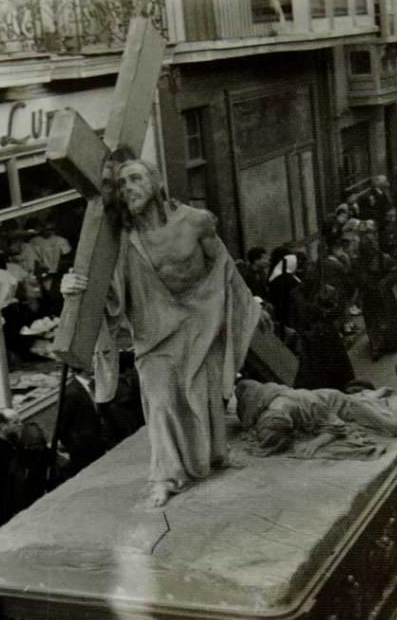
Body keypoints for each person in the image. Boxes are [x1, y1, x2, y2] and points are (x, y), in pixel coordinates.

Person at [61, 158, 263, 507]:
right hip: (154, 330)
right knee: (162, 402)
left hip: (201, 319)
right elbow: (102, 290)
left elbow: (223, 267)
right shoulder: (122, 240)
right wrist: (72, 287)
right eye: (122, 184)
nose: (128, 189)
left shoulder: (196, 222)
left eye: (135, 179)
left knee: (204, 396)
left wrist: (248, 306)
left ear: (156, 183)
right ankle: (165, 476)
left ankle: (215, 455)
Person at [235, 379, 397, 457]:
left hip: (337, 403)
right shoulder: (266, 408)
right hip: (319, 401)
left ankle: (370, 396)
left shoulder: (307, 405)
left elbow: (338, 427)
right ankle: (367, 396)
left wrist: (314, 443)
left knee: (393, 427)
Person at [356, 237, 397, 361]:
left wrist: (384, 283)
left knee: (389, 319)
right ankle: (377, 346)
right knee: (372, 322)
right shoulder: (359, 262)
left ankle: (392, 342)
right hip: (368, 296)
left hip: (383, 295)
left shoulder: (383, 258)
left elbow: (395, 270)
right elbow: (357, 277)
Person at [58, 368, 113, 477]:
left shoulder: (94, 385)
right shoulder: (71, 392)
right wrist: (74, 445)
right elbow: (63, 423)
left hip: (98, 441)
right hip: (83, 447)